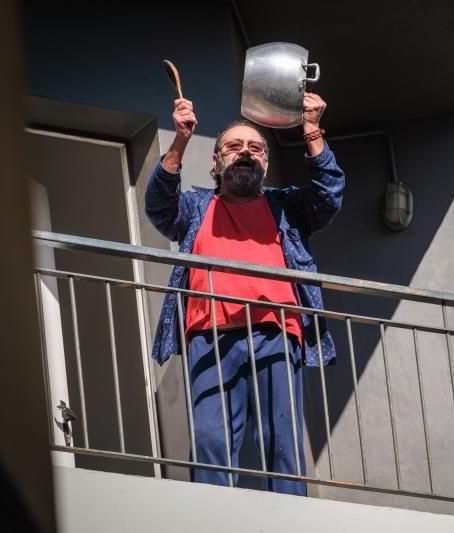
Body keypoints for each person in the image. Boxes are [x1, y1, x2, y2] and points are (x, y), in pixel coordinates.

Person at [145, 93, 344, 496]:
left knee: (282, 445)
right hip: (210, 336)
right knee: (212, 443)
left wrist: (312, 132)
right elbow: (157, 205)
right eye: (233, 147)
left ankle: (291, 521)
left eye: (255, 148)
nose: (245, 153)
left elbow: (328, 197)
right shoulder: (195, 207)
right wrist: (181, 139)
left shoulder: (285, 206)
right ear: (216, 163)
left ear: (266, 164)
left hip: (276, 331)